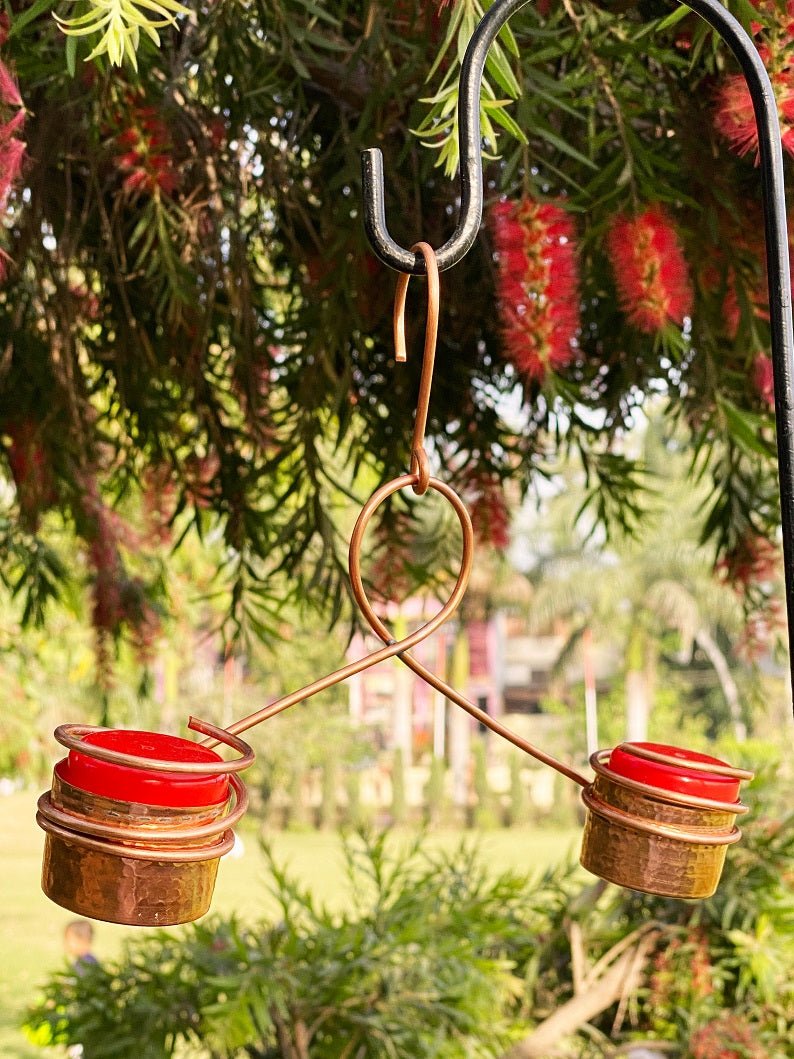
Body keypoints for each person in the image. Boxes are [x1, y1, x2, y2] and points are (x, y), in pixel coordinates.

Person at [63, 920, 99, 1059]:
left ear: (79, 939)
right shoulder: (91, 962)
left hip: (83, 1024)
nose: (66, 945)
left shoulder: (83, 966)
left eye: (68, 940)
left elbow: (73, 991)